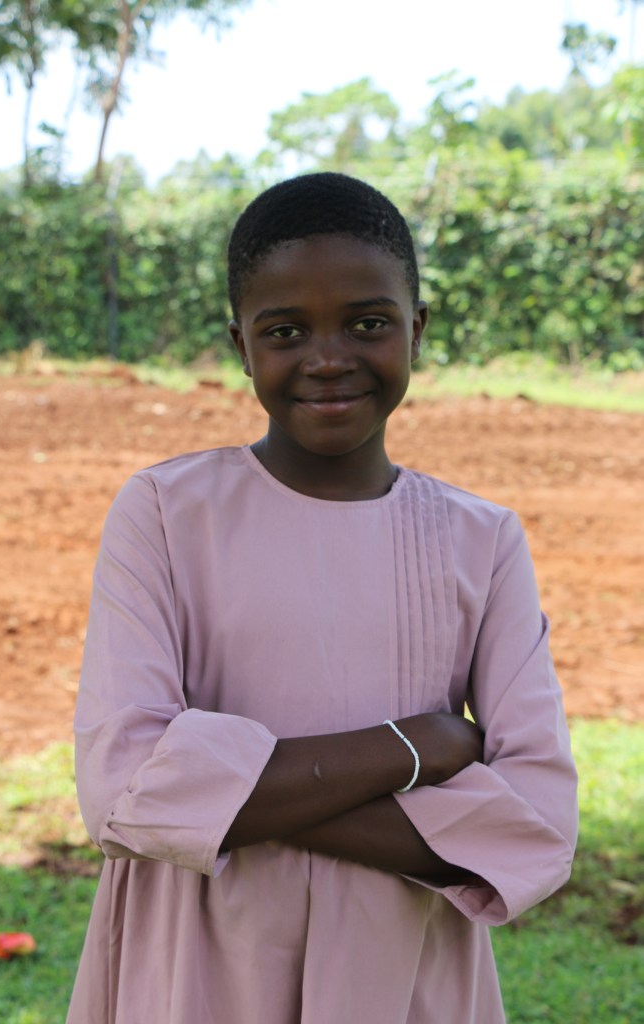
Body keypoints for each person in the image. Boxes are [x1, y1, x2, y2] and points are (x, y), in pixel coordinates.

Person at [67, 172, 578, 1024]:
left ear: (417, 329)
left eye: (368, 323)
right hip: (198, 963)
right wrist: (416, 747)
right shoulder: (164, 514)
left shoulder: (481, 540)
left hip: (398, 970)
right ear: (240, 344)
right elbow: (122, 787)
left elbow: (537, 828)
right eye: (286, 331)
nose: (329, 356)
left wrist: (213, 792)